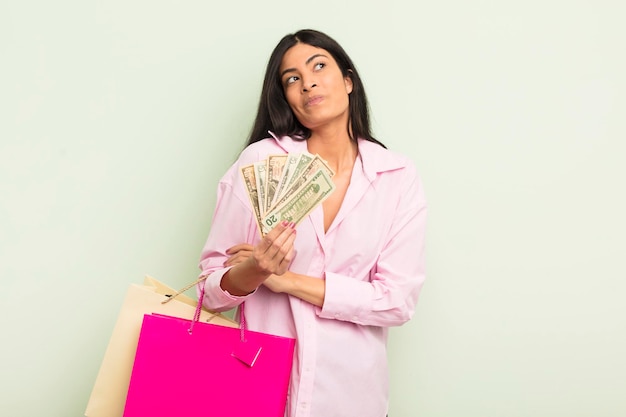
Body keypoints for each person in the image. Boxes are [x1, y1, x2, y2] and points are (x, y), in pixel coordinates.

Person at [197, 29, 427, 417]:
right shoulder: (261, 163)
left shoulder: (396, 177)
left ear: (348, 81)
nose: (308, 83)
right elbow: (209, 291)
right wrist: (254, 271)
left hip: (352, 397)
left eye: (319, 66)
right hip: (258, 390)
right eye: (292, 78)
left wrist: (284, 280)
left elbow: (397, 301)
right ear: (285, 97)